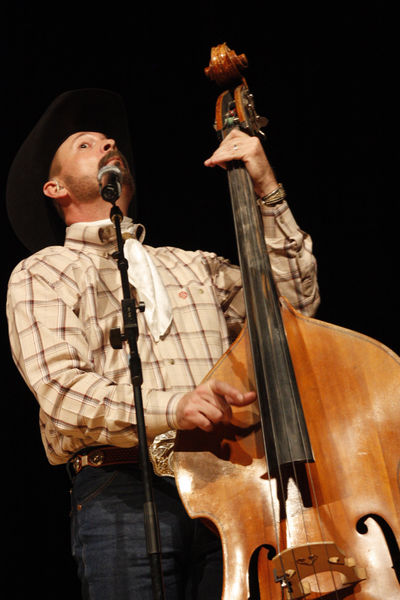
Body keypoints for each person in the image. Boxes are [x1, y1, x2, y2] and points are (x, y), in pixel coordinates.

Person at [6, 89, 320, 599]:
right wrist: (174, 407)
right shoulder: (44, 271)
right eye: (86, 144)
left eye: (109, 140)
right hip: (121, 485)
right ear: (55, 186)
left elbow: (293, 306)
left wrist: (266, 188)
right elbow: (61, 394)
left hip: (227, 482)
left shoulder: (191, 265)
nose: (108, 143)